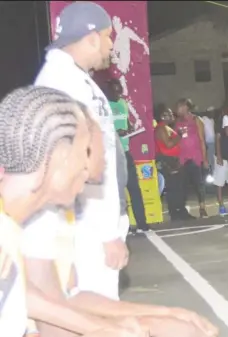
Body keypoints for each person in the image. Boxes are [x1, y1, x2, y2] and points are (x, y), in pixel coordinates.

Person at [0, 86, 145, 337]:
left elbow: (22, 301)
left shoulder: (9, 227)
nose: (87, 170)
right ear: (59, 158)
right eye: (83, 153)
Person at [32, 0, 129, 306]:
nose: (111, 44)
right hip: (87, 230)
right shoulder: (64, 83)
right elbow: (76, 165)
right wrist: (105, 232)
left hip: (90, 227)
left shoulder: (75, 79)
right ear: (90, 38)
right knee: (96, 314)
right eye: (107, 35)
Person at [104, 78, 150, 234]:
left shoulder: (123, 104)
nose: (118, 94)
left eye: (120, 90)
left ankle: (142, 224)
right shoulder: (104, 106)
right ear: (108, 91)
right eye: (115, 91)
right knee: (117, 192)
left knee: (134, 189)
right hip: (112, 153)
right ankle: (124, 226)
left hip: (126, 152)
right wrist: (117, 133)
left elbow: (126, 122)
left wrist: (130, 129)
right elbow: (102, 130)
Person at [174, 98, 209, 218]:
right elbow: (175, 140)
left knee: (199, 184)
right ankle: (182, 210)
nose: (176, 109)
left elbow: (202, 140)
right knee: (183, 185)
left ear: (186, 107)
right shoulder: (177, 122)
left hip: (195, 156)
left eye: (179, 106)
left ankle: (202, 208)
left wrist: (205, 159)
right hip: (183, 158)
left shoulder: (196, 120)